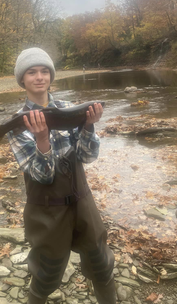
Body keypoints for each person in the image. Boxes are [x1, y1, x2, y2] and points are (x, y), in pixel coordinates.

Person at [7, 48, 116, 304]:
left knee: (101, 262)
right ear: (22, 79)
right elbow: (41, 177)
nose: (39, 77)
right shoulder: (18, 123)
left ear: (51, 76)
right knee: (46, 273)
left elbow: (88, 157)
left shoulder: (71, 109)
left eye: (44, 71)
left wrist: (88, 125)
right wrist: (42, 140)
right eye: (32, 72)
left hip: (83, 202)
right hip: (46, 211)